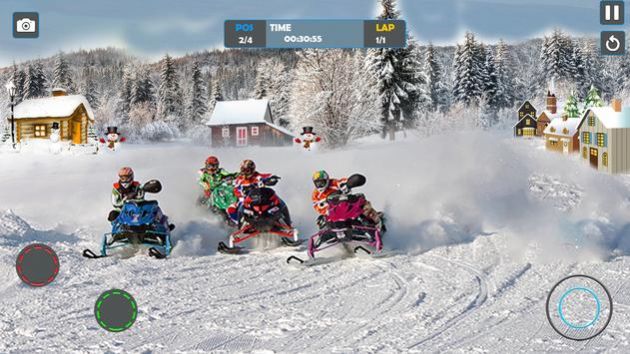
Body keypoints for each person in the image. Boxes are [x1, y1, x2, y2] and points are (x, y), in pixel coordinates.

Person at [310, 170, 384, 230]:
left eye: (321, 182)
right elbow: (317, 206)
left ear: (326, 180)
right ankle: (325, 235)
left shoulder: (333, 183)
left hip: (345, 204)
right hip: (332, 211)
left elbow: (342, 182)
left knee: (361, 200)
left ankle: (376, 221)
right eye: (317, 183)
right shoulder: (316, 194)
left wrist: (348, 184)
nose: (319, 185)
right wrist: (326, 209)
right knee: (321, 220)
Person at [227, 159, 290, 227]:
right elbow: (235, 188)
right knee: (231, 208)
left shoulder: (257, 176)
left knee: (279, 202)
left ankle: (287, 222)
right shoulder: (239, 180)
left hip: (261, 198)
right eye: (243, 170)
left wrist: (271, 178)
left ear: (252, 170)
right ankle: (240, 225)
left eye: (247, 171)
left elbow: (265, 177)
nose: (245, 173)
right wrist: (229, 183)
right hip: (246, 200)